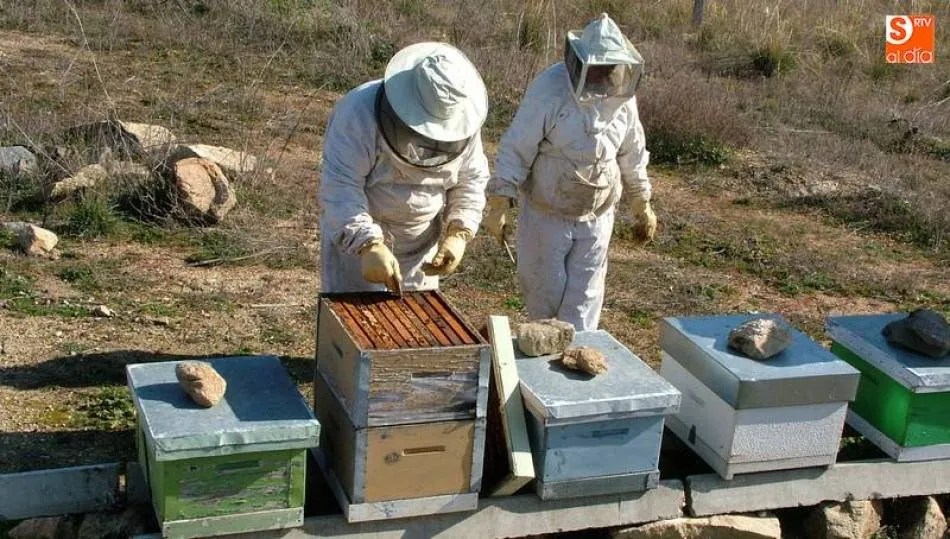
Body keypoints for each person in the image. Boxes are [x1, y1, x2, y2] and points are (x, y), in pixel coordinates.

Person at [483, 13, 654, 330]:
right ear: (580, 62)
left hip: (598, 217)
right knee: (545, 299)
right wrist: (499, 201)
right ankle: (544, 370)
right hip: (547, 216)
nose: (604, 76)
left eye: (610, 69)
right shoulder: (550, 90)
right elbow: (517, 147)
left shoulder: (622, 98)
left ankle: (576, 362)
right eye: (599, 69)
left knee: (585, 302)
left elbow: (632, 150)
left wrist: (641, 200)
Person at [319, 42, 490, 294]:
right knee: (353, 326)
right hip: (359, 247)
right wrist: (367, 244)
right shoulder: (357, 113)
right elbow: (341, 186)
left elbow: (471, 179)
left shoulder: (461, 122)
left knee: (414, 329)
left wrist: (459, 231)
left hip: (421, 246)